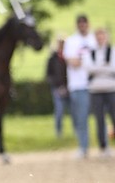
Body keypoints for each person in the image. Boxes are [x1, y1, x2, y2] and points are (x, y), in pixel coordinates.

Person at [62, 14, 96, 158]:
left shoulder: (94, 39)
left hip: (95, 84)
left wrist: (82, 61)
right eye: (80, 24)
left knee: (101, 117)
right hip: (77, 84)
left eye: (85, 23)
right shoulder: (71, 40)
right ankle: (83, 147)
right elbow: (71, 62)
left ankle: (104, 145)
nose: (83, 26)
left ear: (88, 24)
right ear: (77, 25)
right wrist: (89, 61)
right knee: (80, 118)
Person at [88, 26, 115, 157]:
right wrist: (104, 67)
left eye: (102, 36)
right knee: (99, 119)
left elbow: (113, 68)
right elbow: (88, 68)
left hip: (111, 88)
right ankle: (103, 146)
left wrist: (98, 68)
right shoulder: (91, 52)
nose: (100, 39)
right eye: (98, 36)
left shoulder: (112, 50)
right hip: (95, 90)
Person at [45, 37, 70, 138]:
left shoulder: (68, 57)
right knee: (59, 111)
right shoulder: (52, 58)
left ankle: (78, 131)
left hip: (69, 88)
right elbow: (48, 75)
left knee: (75, 111)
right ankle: (59, 132)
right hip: (57, 88)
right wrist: (57, 86)